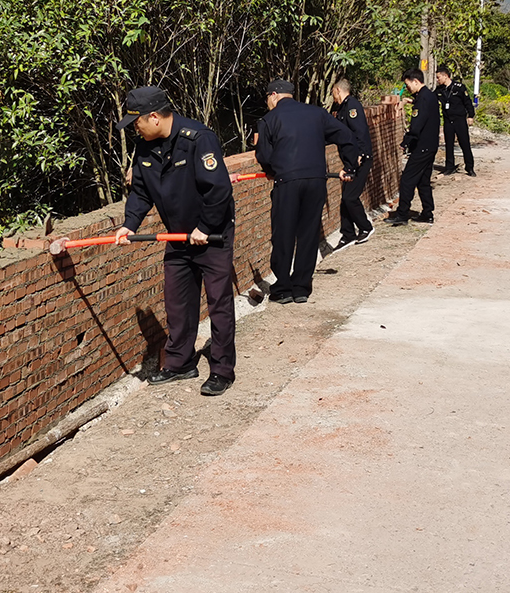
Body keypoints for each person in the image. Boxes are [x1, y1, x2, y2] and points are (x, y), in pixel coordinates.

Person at [115, 85, 236, 397]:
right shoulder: (145, 149)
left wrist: (204, 226)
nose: (134, 130)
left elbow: (219, 188)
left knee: (218, 302)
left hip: (211, 234)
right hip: (177, 237)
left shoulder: (198, 139)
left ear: (154, 117)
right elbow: (140, 192)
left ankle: (222, 370)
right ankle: (180, 362)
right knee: (176, 301)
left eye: (136, 123)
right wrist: (129, 225)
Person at [254, 78, 361, 304]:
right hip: (316, 180)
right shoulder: (317, 114)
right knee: (308, 233)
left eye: (267, 98)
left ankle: (282, 288)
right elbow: (347, 137)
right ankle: (302, 287)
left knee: (283, 234)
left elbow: (262, 154)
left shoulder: (269, 119)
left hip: (287, 181)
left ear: (273, 95)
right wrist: (350, 166)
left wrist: (272, 170)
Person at [388, 68, 438, 226]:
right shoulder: (428, 96)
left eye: (408, 85)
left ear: (416, 81)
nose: (407, 88)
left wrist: (406, 142)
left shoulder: (422, 99)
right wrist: (407, 101)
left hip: (422, 146)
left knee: (407, 180)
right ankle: (427, 213)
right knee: (423, 181)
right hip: (430, 146)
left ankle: (402, 215)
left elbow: (416, 125)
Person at [330, 78, 374, 248]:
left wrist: (361, 154)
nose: (333, 96)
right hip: (350, 160)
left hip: (359, 159)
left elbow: (360, 130)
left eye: (333, 92)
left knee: (350, 197)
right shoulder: (342, 108)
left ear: (338, 90)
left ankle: (365, 227)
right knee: (345, 198)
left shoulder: (352, 106)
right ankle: (347, 233)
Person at [435, 66, 476, 177]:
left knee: (464, 144)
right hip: (448, 120)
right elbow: (430, 99)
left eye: (439, 77)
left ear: (445, 76)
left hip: (459, 120)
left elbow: (467, 102)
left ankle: (470, 167)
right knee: (448, 144)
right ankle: (449, 167)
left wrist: (470, 116)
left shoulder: (459, 87)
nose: (437, 80)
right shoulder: (440, 90)